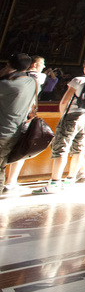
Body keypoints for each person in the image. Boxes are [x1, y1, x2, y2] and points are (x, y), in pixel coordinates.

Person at [35, 56, 85, 195]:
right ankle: (70, 179)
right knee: (78, 148)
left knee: (61, 147)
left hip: (73, 116)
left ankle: (55, 182)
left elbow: (64, 101)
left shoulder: (78, 80)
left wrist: (63, 117)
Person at [1, 54, 39, 198]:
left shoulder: (7, 85)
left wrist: (4, 72)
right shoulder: (32, 82)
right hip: (16, 130)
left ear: (9, 65)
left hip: (3, 131)